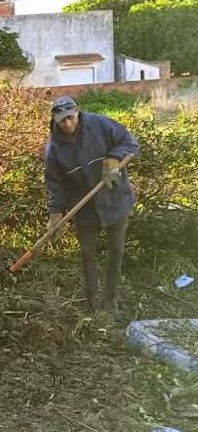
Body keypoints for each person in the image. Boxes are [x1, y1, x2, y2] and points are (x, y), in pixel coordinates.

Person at [44, 95, 139, 318]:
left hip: (115, 201)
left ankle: (110, 300)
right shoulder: (54, 149)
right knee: (88, 254)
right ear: (55, 121)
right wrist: (56, 213)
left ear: (77, 111)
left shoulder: (100, 124)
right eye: (62, 121)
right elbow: (55, 184)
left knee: (116, 250)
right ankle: (92, 304)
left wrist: (114, 159)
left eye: (70, 118)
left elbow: (130, 142)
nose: (67, 124)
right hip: (84, 208)